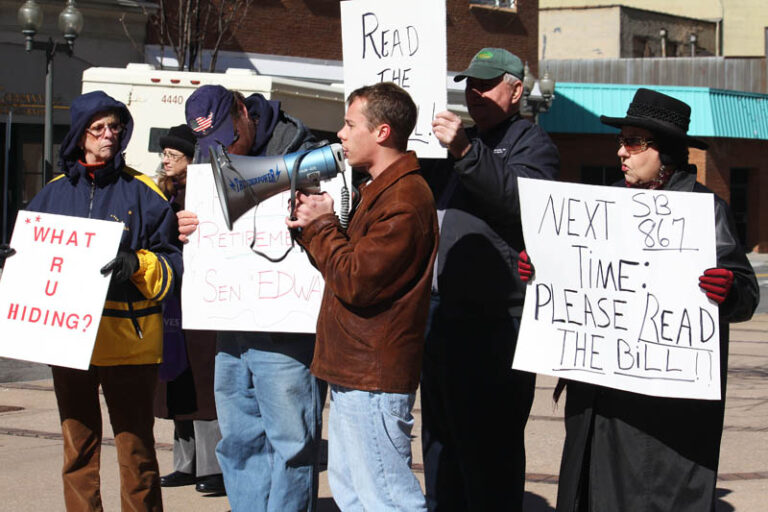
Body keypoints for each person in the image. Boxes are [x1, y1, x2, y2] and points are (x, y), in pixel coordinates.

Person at [518, 88, 759, 512]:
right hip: (600, 397)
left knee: (649, 494)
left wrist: (729, 289)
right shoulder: (605, 205)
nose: (621, 152)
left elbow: (745, 293)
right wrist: (541, 269)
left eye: (633, 142)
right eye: (621, 140)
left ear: (663, 151)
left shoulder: (704, 209)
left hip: (661, 410)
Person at [25, 91, 182, 510]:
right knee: (77, 452)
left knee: (137, 454)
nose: (109, 135)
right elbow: (32, 265)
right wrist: (14, 258)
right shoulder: (52, 195)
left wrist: (138, 262)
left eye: (115, 126)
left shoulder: (144, 192)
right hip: (67, 344)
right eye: (99, 128)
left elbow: (174, 265)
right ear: (80, 136)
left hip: (130, 345)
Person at [419, 48, 560, 511]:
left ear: (517, 90)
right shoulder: (461, 143)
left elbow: (520, 202)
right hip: (441, 315)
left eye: (486, 83)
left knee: (488, 449)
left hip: (495, 320)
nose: (473, 92)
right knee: (440, 440)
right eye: (468, 84)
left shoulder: (533, 144)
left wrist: (464, 151)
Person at [286, 81, 438, 511]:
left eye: (351, 124)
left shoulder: (405, 199)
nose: (341, 134)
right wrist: (312, 231)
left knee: (387, 499)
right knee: (355, 495)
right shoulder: (381, 189)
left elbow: (357, 281)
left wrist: (322, 226)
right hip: (356, 368)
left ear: (382, 132)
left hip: (373, 374)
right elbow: (347, 267)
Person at [178, 84, 324, 512]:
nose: (224, 148)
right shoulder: (210, 158)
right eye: (211, 142)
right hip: (232, 324)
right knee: (238, 438)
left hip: (285, 326)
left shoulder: (301, 149)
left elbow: (335, 223)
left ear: (244, 110)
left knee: (291, 441)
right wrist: (187, 225)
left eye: (228, 134)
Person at [153, 124, 225, 495]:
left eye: (173, 154)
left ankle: (213, 467)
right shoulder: (160, 194)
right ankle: (185, 463)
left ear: (191, 158)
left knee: (203, 380)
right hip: (170, 297)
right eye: (164, 154)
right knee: (173, 380)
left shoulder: (207, 191)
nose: (165, 159)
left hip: (204, 297)